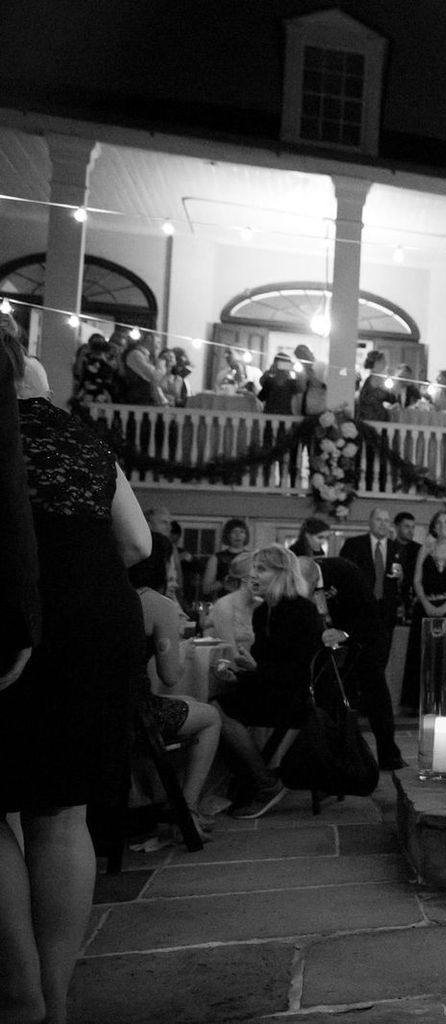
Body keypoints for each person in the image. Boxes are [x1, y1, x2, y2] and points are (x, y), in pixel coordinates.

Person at [2, 326, 152, 1024]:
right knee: (62, 814)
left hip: (16, 619)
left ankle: (20, 992)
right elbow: (136, 542)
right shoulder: (83, 439)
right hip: (97, 615)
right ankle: (54, 1000)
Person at [212, 544, 324, 819]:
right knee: (214, 704)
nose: (253, 575)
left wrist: (256, 669)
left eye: (261, 569)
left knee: (216, 712)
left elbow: (299, 672)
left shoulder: (303, 611)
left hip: (296, 697)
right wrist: (239, 671)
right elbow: (262, 663)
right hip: (271, 689)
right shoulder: (264, 612)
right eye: (253, 568)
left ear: (281, 574)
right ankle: (255, 777)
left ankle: (262, 781)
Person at [129, 556, 221, 840]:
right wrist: (180, 651)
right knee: (211, 717)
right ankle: (186, 811)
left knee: (189, 703)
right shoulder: (155, 602)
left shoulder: (105, 593)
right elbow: (169, 675)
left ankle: (158, 799)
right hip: (134, 714)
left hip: (95, 708)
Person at [307, 557, 407, 770]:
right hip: (328, 638)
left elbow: (368, 614)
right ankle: (344, 757)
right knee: (337, 693)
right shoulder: (300, 578)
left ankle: (389, 754)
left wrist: (345, 633)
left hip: (365, 635)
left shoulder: (346, 571)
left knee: (375, 691)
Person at [400, 510, 446, 712]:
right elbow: (416, 580)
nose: (443, 525)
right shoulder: (425, 549)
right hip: (425, 608)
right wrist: (426, 604)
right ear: (433, 527)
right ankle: (421, 702)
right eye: (438, 522)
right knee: (423, 654)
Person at [339, 507, 407, 631]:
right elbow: (342, 576)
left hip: (387, 610)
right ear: (370, 522)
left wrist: (402, 577)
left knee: (384, 647)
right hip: (360, 607)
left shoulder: (398, 548)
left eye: (386, 521)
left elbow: (405, 581)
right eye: (378, 520)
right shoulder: (353, 544)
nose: (383, 524)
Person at [208, 551, 258, 656]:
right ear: (246, 577)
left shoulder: (259, 604)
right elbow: (230, 654)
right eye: (260, 570)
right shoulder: (225, 605)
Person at [202, 518, 251, 599]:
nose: (238, 535)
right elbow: (206, 589)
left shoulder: (252, 558)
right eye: (234, 532)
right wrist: (224, 582)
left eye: (242, 532)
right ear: (228, 535)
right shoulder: (216, 558)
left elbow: (259, 587)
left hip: (246, 604)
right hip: (224, 603)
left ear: (246, 536)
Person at [117, 330, 167, 406]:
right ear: (150, 339)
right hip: (137, 402)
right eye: (158, 342)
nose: (159, 346)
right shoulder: (136, 355)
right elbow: (154, 376)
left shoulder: (147, 357)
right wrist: (161, 363)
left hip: (145, 401)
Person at [70, 332, 118, 407]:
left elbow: (113, 371)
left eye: (101, 343)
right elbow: (77, 372)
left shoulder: (106, 359)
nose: (98, 346)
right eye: (95, 343)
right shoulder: (86, 358)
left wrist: (112, 353)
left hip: (102, 395)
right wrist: (82, 355)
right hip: (85, 394)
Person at [355, 351, 396, 422]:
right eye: (383, 361)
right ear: (377, 362)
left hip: (370, 417)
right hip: (372, 418)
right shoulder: (376, 378)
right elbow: (386, 396)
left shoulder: (372, 377)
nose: (385, 363)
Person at [292, 344, 327, 416]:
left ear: (309, 353)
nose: (303, 358)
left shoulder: (321, 366)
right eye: (299, 356)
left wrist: (310, 372)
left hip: (319, 405)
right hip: (305, 407)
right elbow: (300, 388)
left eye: (304, 354)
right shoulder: (300, 370)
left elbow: (322, 385)